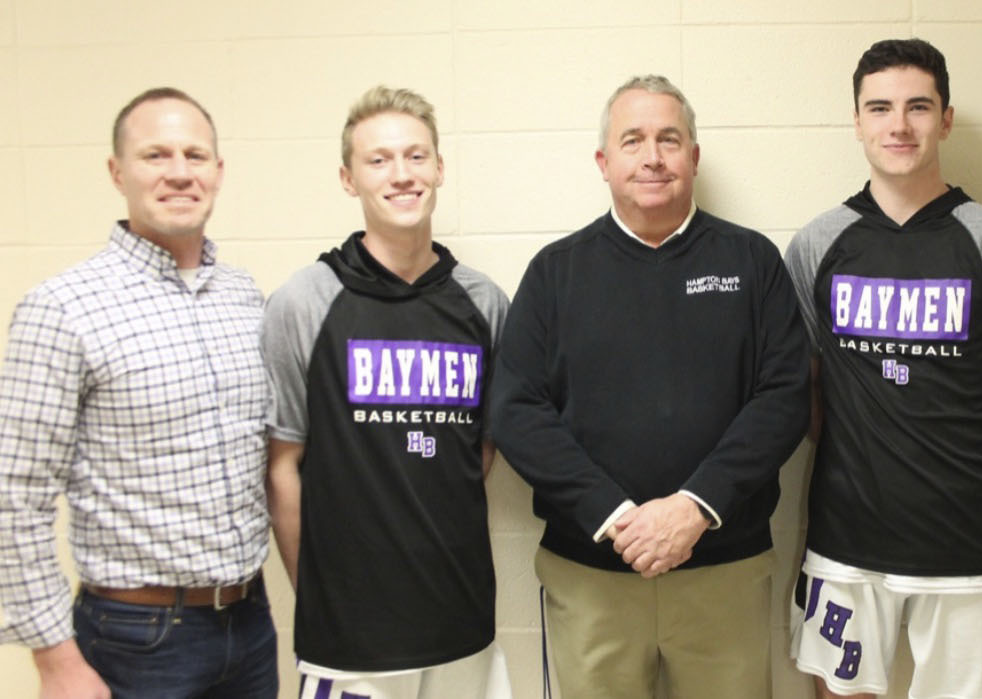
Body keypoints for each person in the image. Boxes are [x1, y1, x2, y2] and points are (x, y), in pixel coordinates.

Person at [489, 74, 809, 698]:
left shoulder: (751, 262)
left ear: (693, 155)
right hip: (591, 580)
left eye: (669, 139)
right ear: (604, 162)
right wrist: (614, 516)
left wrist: (695, 508)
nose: (653, 156)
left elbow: (784, 397)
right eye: (632, 140)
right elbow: (518, 410)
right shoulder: (556, 273)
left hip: (725, 573)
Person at [785, 38, 982, 699]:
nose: (898, 125)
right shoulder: (818, 243)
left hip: (962, 540)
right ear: (856, 121)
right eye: (879, 107)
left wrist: (970, 467)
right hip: (847, 534)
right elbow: (806, 386)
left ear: (946, 118)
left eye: (917, 107)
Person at [0, 87, 276, 698]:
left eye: (195, 155)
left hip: (249, 625)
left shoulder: (243, 298)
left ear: (218, 171)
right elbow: (13, 499)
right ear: (116, 171)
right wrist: (55, 660)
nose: (179, 172)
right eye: (155, 155)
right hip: (135, 640)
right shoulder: (62, 309)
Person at [263, 86, 512, 699]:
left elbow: (476, 451)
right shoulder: (305, 302)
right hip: (351, 637)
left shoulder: (483, 303)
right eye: (378, 160)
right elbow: (282, 466)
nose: (401, 175)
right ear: (348, 179)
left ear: (439, 168)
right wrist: (317, 595)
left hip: (460, 619)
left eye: (416, 156)